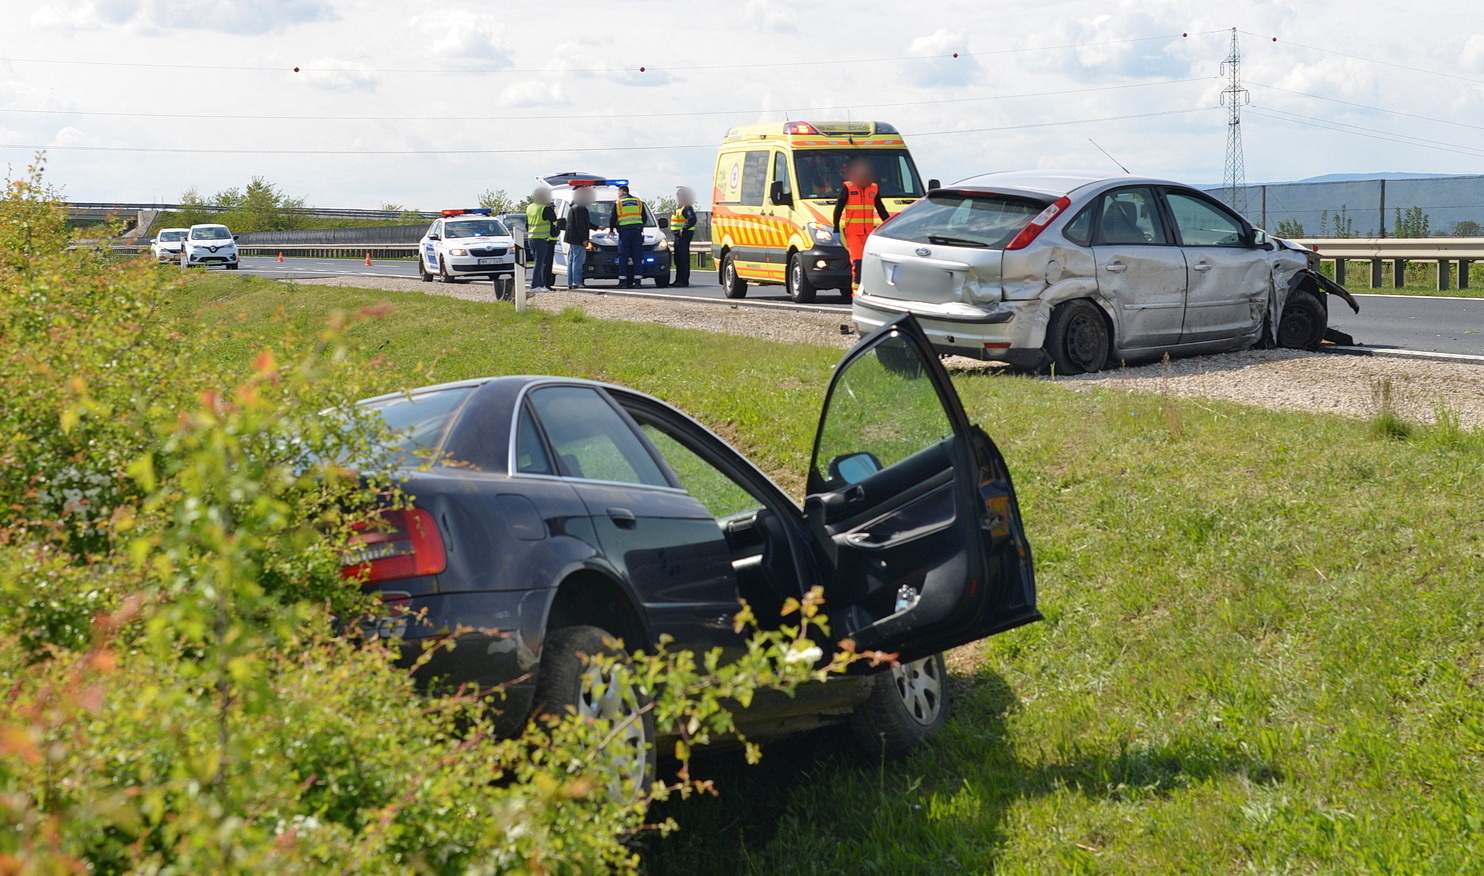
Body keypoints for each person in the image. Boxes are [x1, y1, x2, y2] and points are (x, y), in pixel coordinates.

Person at [832, 157, 890, 294]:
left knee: (869, 263)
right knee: (857, 263)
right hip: (853, 233)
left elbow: (881, 209)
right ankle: (856, 294)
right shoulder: (848, 187)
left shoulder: (874, 188)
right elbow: (838, 209)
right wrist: (836, 228)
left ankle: (868, 290)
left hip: (868, 234)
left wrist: (889, 225)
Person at [610, 184, 646, 288]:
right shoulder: (639, 202)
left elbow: (613, 218)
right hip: (637, 231)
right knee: (637, 257)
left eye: (618, 193)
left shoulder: (618, 202)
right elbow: (644, 217)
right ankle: (638, 282)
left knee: (623, 256)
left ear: (621, 192)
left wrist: (612, 229)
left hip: (624, 232)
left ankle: (622, 282)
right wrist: (640, 226)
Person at [564, 187, 598, 289]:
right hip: (577, 239)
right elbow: (581, 225)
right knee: (578, 261)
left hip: (572, 238)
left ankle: (570, 282)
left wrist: (597, 227)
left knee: (572, 261)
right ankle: (577, 282)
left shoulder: (574, 206)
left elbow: (584, 222)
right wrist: (584, 239)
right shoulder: (580, 208)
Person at [524, 186, 558, 291]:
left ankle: (539, 284)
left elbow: (526, 223)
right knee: (540, 263)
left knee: (537, 262)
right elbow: (553, 218)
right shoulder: (543, 208)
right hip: (541, 239)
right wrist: (549, 207)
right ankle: (535, 285)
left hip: (531, 237)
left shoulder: (530, 207)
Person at [670, 186, 697, 287]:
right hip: (678, 236)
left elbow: (692, 219)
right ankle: (678, 280)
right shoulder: (680, 207)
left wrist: (684, 228)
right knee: (678, 259)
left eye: (679, 195)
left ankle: (683, 281)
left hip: (684, 236)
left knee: (683, 259)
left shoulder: (687, 207)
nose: (678, 197)